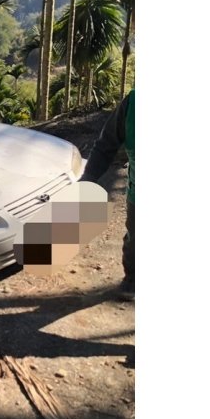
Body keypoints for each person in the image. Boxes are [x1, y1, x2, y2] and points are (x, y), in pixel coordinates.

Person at [79, 88, 135, 301]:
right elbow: (106, 145)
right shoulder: (132, 104)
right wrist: (88, 178)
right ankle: (133, 279)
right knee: (136, 240)